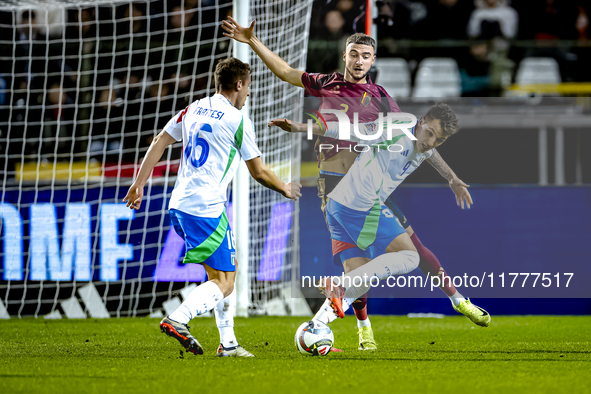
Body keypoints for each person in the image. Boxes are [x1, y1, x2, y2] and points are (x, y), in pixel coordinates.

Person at [223, 18, 488, 351]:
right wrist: (253, 42)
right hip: (334, 185)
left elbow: (417, 141)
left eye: (365, 55)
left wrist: (451, 177)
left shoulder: (380, 98)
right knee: (357, 267)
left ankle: (457, 300)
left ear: (373, 61)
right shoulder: (327, 83)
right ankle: (362, 327)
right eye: (353, 54)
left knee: (411, 252)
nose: (359, 60)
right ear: (344, 56)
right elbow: (288, 73)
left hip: (369, 187)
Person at [123, 57, 301, 357]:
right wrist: (283, 186)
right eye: (249, 87)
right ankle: (179, 319)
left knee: (218, 276)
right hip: (205, 208)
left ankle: (228, 344)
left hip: (179, 204)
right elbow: (258, 171)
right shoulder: (237, 119)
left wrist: (138, 183)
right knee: (226, 282)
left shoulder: (193, 108)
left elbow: (159, 141)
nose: (249, 94)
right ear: (239, 84)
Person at [270, 103, 491, 328]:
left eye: (440, 140)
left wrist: (451, 177)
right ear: (421, 120)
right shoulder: (397, 127)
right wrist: (301, 127)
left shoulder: (424, 142)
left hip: (340, 204)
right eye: (431, 134)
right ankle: (340, 284)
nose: (431, 143)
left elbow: (431, 153)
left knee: (361, 275)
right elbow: (350, 130)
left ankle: (316, 327)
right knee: (410, 257)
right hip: (360, 202)